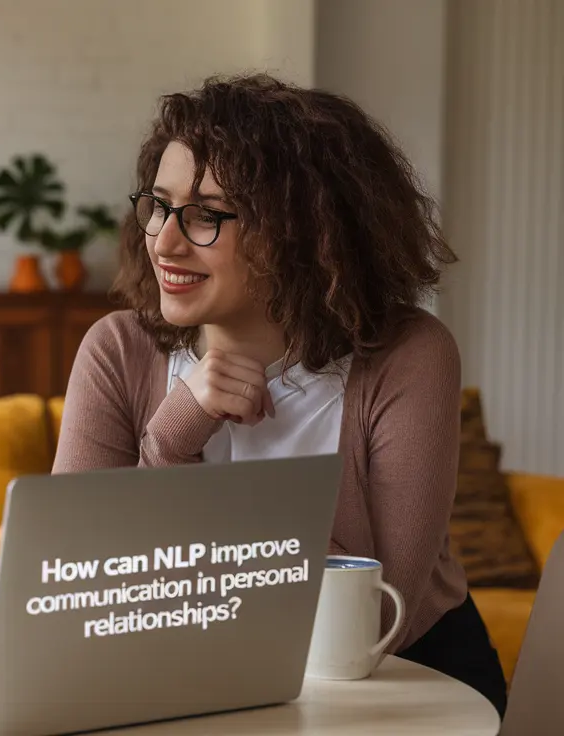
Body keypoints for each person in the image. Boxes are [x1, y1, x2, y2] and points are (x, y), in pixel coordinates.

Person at [54, 74, 508, 716]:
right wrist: (173, 437)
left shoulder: (409, 356)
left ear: (305, 231)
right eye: (159, 205)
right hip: (193, 684)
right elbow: (78, 594)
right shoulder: (116, 349)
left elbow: (372, 622)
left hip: (404, 684)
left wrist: (185, 482)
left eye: (207, 215)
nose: (164, 241)